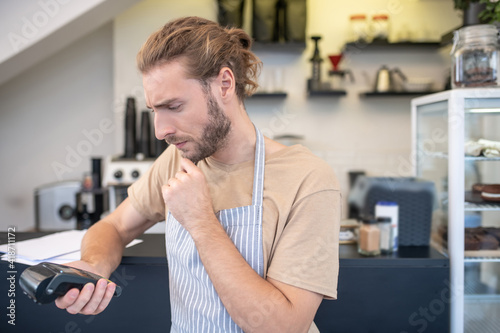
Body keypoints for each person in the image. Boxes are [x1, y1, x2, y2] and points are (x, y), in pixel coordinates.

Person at [56, 16, 341, 333]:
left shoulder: (308, 178)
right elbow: (113, 226)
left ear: (224, 84)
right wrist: (94, 266)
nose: (161, 130)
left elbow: (281, 327)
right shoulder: (175, 160)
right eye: (155, 110)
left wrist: (201, 220)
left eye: (174, 106)